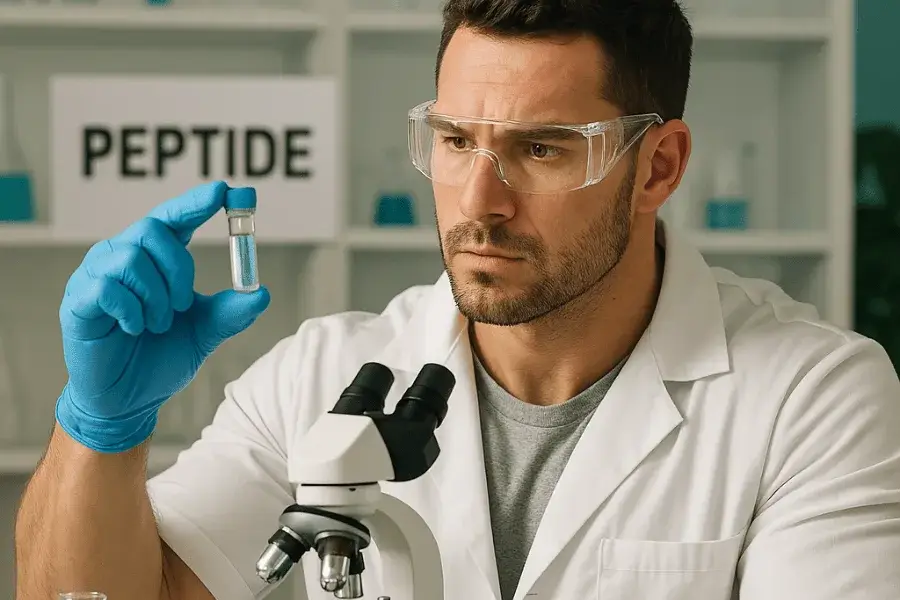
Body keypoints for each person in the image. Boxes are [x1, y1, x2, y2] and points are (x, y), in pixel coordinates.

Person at [14, 0, 900, 598]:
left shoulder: (811, 396)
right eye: (453, 141)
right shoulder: (322, 371)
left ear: (657, 167)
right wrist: (100, 423)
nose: (478, 202)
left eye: (543, 150)